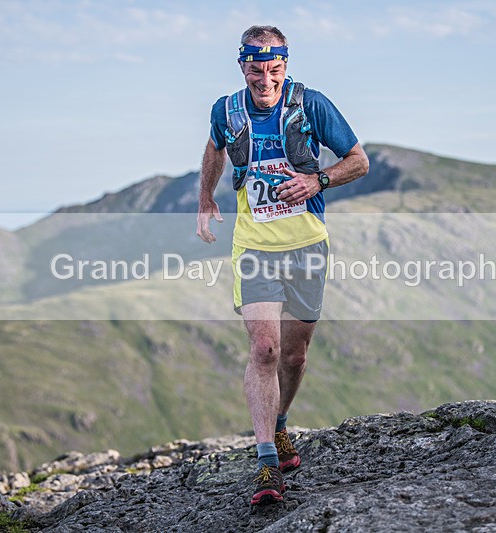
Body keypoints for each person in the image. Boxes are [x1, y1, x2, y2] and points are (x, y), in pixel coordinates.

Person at [196, 25, 368, 505]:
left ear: (285, 66)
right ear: (242, 65)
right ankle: (267, 464)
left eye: (274, 70)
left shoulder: (311, 105)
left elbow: (359, 161)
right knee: (266, 350)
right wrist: (206, 196)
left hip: (308, 245)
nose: (265, 79)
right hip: (254, 247)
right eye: (256, 69)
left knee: (294, 356)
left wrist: (320, 181)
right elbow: (215, 146)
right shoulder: (226, 110)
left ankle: (281, 422)